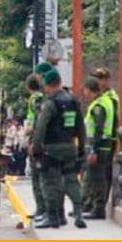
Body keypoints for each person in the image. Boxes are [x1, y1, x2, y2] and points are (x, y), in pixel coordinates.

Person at [30, 69, 87, 229]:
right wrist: (81, 147)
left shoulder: (50, 104)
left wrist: (36, 148)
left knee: (50, 183)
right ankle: (78, 212)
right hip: (70, 146)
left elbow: (41, 127)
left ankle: (53, 217)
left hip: (51, 149)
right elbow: (81, 127)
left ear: (48, 85)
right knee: (71, 180)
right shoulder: (74, 101)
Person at [82, 77, 114, 220]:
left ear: (90, 90)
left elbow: (98, 129)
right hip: (103, 146)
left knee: (98, 178)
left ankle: (98, 208)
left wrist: (94, 150)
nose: (84, 93)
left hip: (100, 148)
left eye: (85, 90)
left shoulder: (98, 106)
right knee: (94, 177)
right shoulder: (103, 102)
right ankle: (92, 206)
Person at [91, 67, 120, 207]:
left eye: (100, 78)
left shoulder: (110, 98)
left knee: (104, 173)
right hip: (101, 139)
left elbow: (112, 120)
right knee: (96, 173)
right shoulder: (100, 97)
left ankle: (100, 203)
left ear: (107, 80)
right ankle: (93, 201)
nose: (98, 81)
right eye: (96, 78)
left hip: (109, 139)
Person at [23, 71, 46, 220]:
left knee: (37, 178)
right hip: (45, 141)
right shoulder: (45, 97)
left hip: (36, 140)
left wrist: (28, 134)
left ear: (28, 86)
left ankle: (41, 209)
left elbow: (35, 122)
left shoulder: (33, 99)